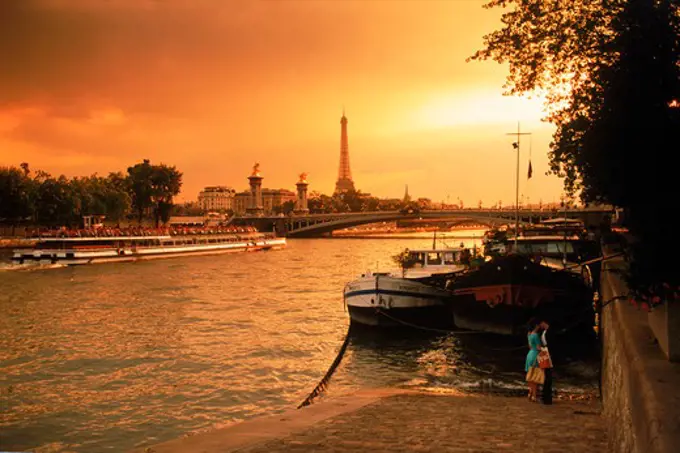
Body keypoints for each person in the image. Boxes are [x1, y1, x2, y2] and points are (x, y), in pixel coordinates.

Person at [525, 320, 543, 402]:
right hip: (536, 355)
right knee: (535, 377)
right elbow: (539, 348)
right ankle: (534, 396)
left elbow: (530, 347)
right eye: (538, 325)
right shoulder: (536, 335)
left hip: (530, 354)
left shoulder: (529, 334)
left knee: (530, 375)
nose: (539, 326)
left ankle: (530, 392)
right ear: (536, 325)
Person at [540, 320, 553, 404]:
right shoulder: (544, 332)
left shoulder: (550, 332)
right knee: (546, 376)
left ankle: (547, 398)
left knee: (548, 377)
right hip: (545, 352)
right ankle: (545, 397)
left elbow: (551, 343)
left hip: (548, 354)